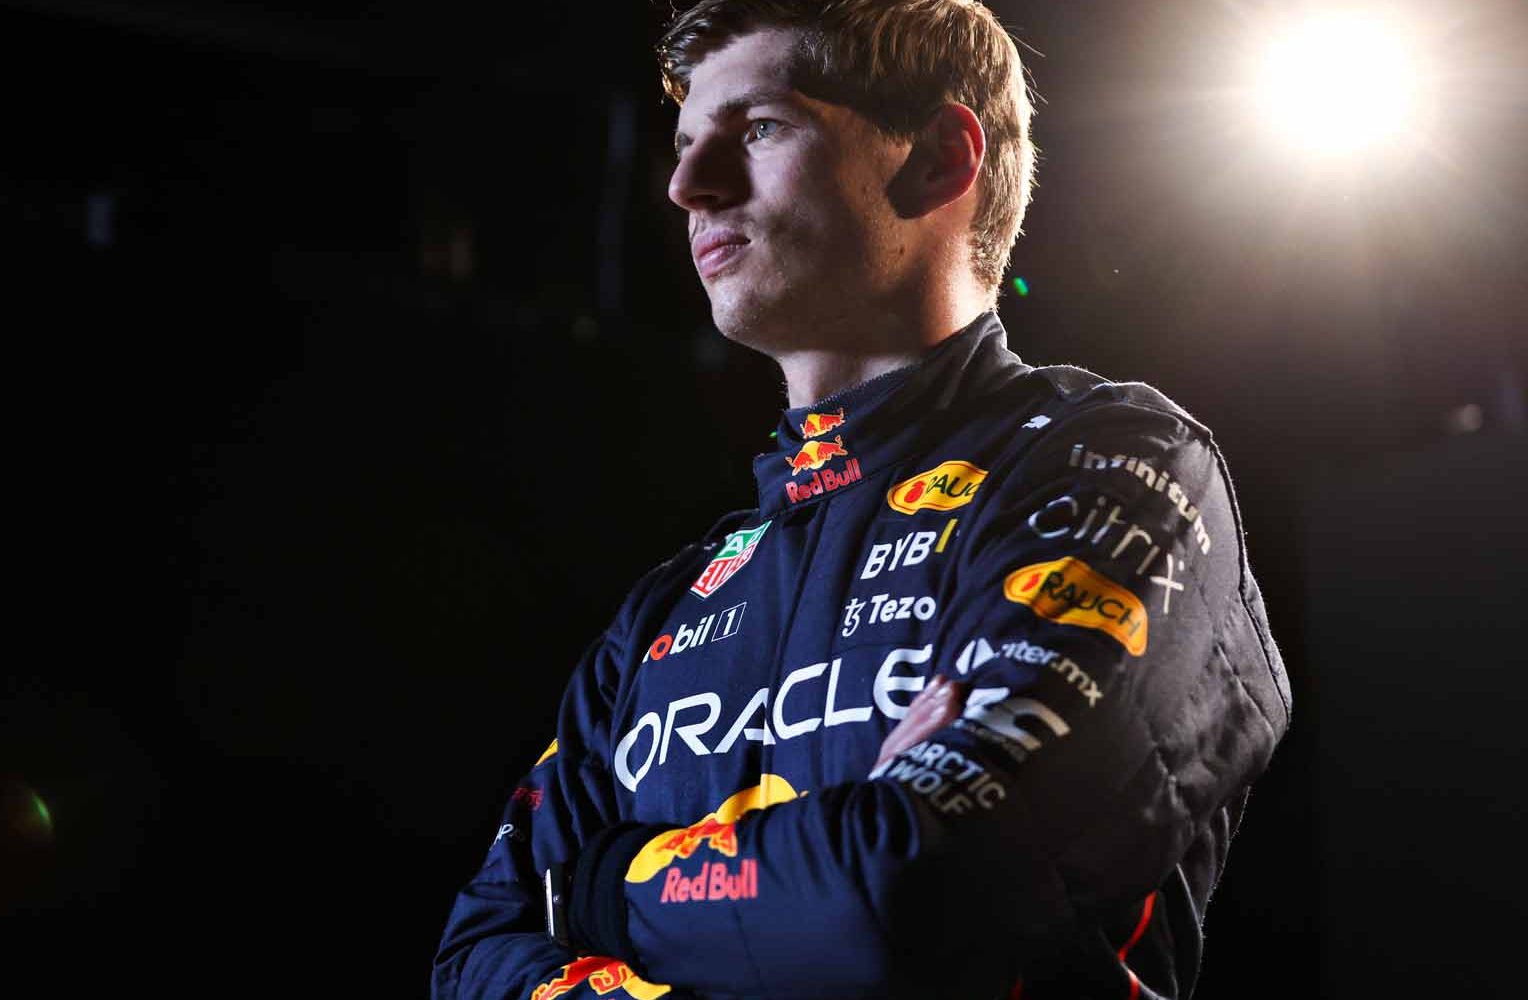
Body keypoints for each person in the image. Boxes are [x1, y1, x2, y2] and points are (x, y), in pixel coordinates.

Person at [433, 2, 1291, 998]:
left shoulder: (1112, 465)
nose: (686, 185)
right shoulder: (666, 612)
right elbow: (474, 956)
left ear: (938, 159)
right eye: (684, 144)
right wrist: (819, 875)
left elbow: (918, 886)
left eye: (758, 127)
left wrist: (602, 888)